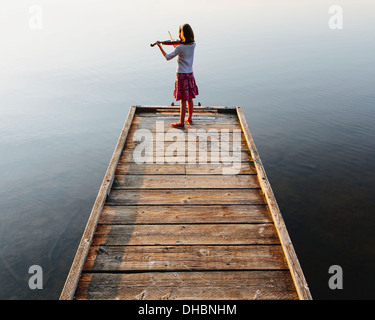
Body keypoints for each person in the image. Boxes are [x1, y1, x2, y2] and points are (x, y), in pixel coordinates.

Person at [156, 24, 199, 128]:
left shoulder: (180, 48)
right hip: (190, 74)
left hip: (181, 75)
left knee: (183, 100)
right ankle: (189, 118)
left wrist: (160, 46)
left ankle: (181, 122)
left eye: (179, 33)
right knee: (190, 98)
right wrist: (176, 46)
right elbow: (183, 47)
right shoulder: (193, 44)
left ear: (182, 34)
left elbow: (167, 57)